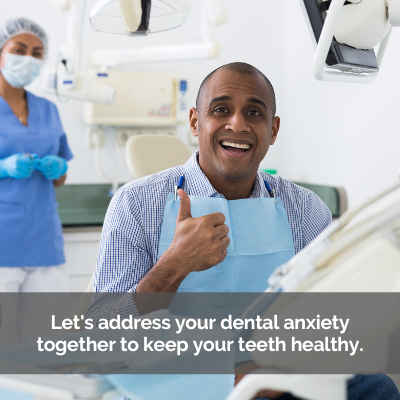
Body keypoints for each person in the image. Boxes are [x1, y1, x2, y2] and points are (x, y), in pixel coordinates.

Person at [93, 62, 399, 399]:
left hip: (272, 376)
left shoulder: (306, 210)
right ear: (196, 122)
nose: (237, 124)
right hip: (173, 380)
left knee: (375, 386)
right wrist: (173, 265)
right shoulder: (135, 205)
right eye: (221, 109)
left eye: (254, 113)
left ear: (273, 129)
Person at [0, 19, 73, 298]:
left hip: (43, 242)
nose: (28, 59)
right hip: (2, 242)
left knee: (46, 338)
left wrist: (59, 169)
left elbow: (60, 180)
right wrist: (4, 167)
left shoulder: (48, 109)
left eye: (37, 53)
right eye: (19, 50)